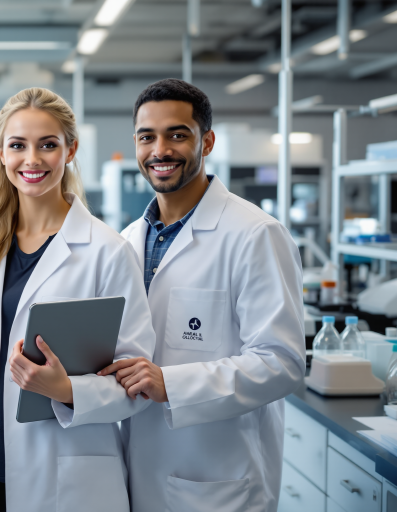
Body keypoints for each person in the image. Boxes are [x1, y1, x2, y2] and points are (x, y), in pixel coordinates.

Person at [98, 78, 306, 512]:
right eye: (146, 137)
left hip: (218, 480)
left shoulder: (254, 234)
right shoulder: (128, 240)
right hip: (136, 471)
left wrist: (170, 383)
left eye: (178, 134)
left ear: (206, 141)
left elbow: (282, 363)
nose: (160, 150)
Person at [0, 87, 155, 512]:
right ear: (1, 154)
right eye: (18, 145)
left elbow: (136, 383)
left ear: (70, 150)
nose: (32, 159)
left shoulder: (107, 251)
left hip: (67, 480)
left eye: (48, 145)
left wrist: (67, 390)